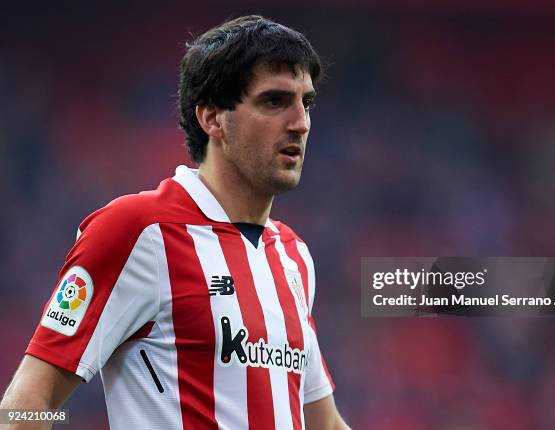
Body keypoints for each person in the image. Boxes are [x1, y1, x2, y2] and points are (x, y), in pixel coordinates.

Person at [1, 15, 350, 430]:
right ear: (212, 117)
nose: (301, 122)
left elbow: (324, 423)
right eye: (274, 101)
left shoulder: (294, 256)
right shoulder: (137, 230)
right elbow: (25, 403)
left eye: (305, 102)